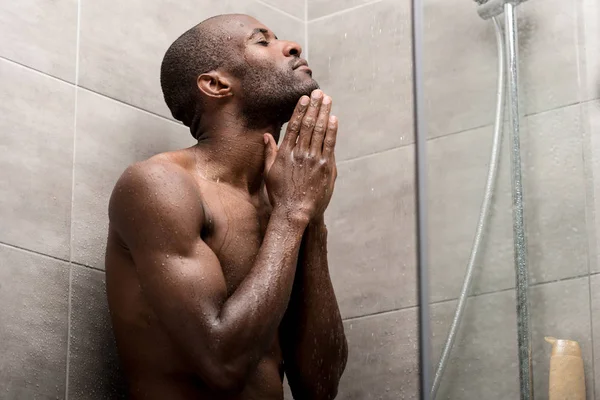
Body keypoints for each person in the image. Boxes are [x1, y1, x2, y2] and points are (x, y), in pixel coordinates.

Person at [105, 13, 348, 400]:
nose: (292, 46)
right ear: (216, 84)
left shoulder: (285, 199)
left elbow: (319, 388)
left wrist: (312, 218)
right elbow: (222, 365)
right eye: (262, 41)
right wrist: (293, 213)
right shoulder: (160, 184)